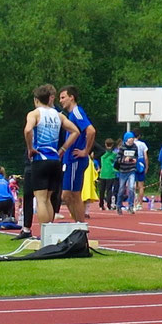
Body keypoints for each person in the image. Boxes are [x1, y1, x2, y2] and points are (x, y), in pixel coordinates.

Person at [22, 85, 78, 238]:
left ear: (36, 100)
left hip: (40, 159)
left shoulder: (34, 114)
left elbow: (28, 130)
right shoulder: (58, 115)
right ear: (50, 98)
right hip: (55, 160)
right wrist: (63, 149)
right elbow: (75, 131)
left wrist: (30, 148)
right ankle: (50, 233)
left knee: (40, 199)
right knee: (48, 199)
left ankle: (44, 235)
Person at [58, 85, 96, 222]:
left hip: (75, 159)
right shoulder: (70, 115)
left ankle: (80, 225)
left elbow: (91, 130)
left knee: (71, 194)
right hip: (69, 158)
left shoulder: (77, 112)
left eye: (63, 97)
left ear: (71, 97)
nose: (61, 101)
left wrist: (86, 151)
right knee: (68, 196)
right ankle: (78, 224)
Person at [112, 131, 140, 212]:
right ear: (126, 139)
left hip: (132, 169)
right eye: (130, 139)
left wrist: (135, 160)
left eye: (132, 139)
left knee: (131, 188)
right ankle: (119, 205)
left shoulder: (135, 147)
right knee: (121, 189)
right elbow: (117, 159)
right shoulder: (122, 148)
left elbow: (136, 156)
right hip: (123, 170)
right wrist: (124, 159)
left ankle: (130, 206)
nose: (131, 140)